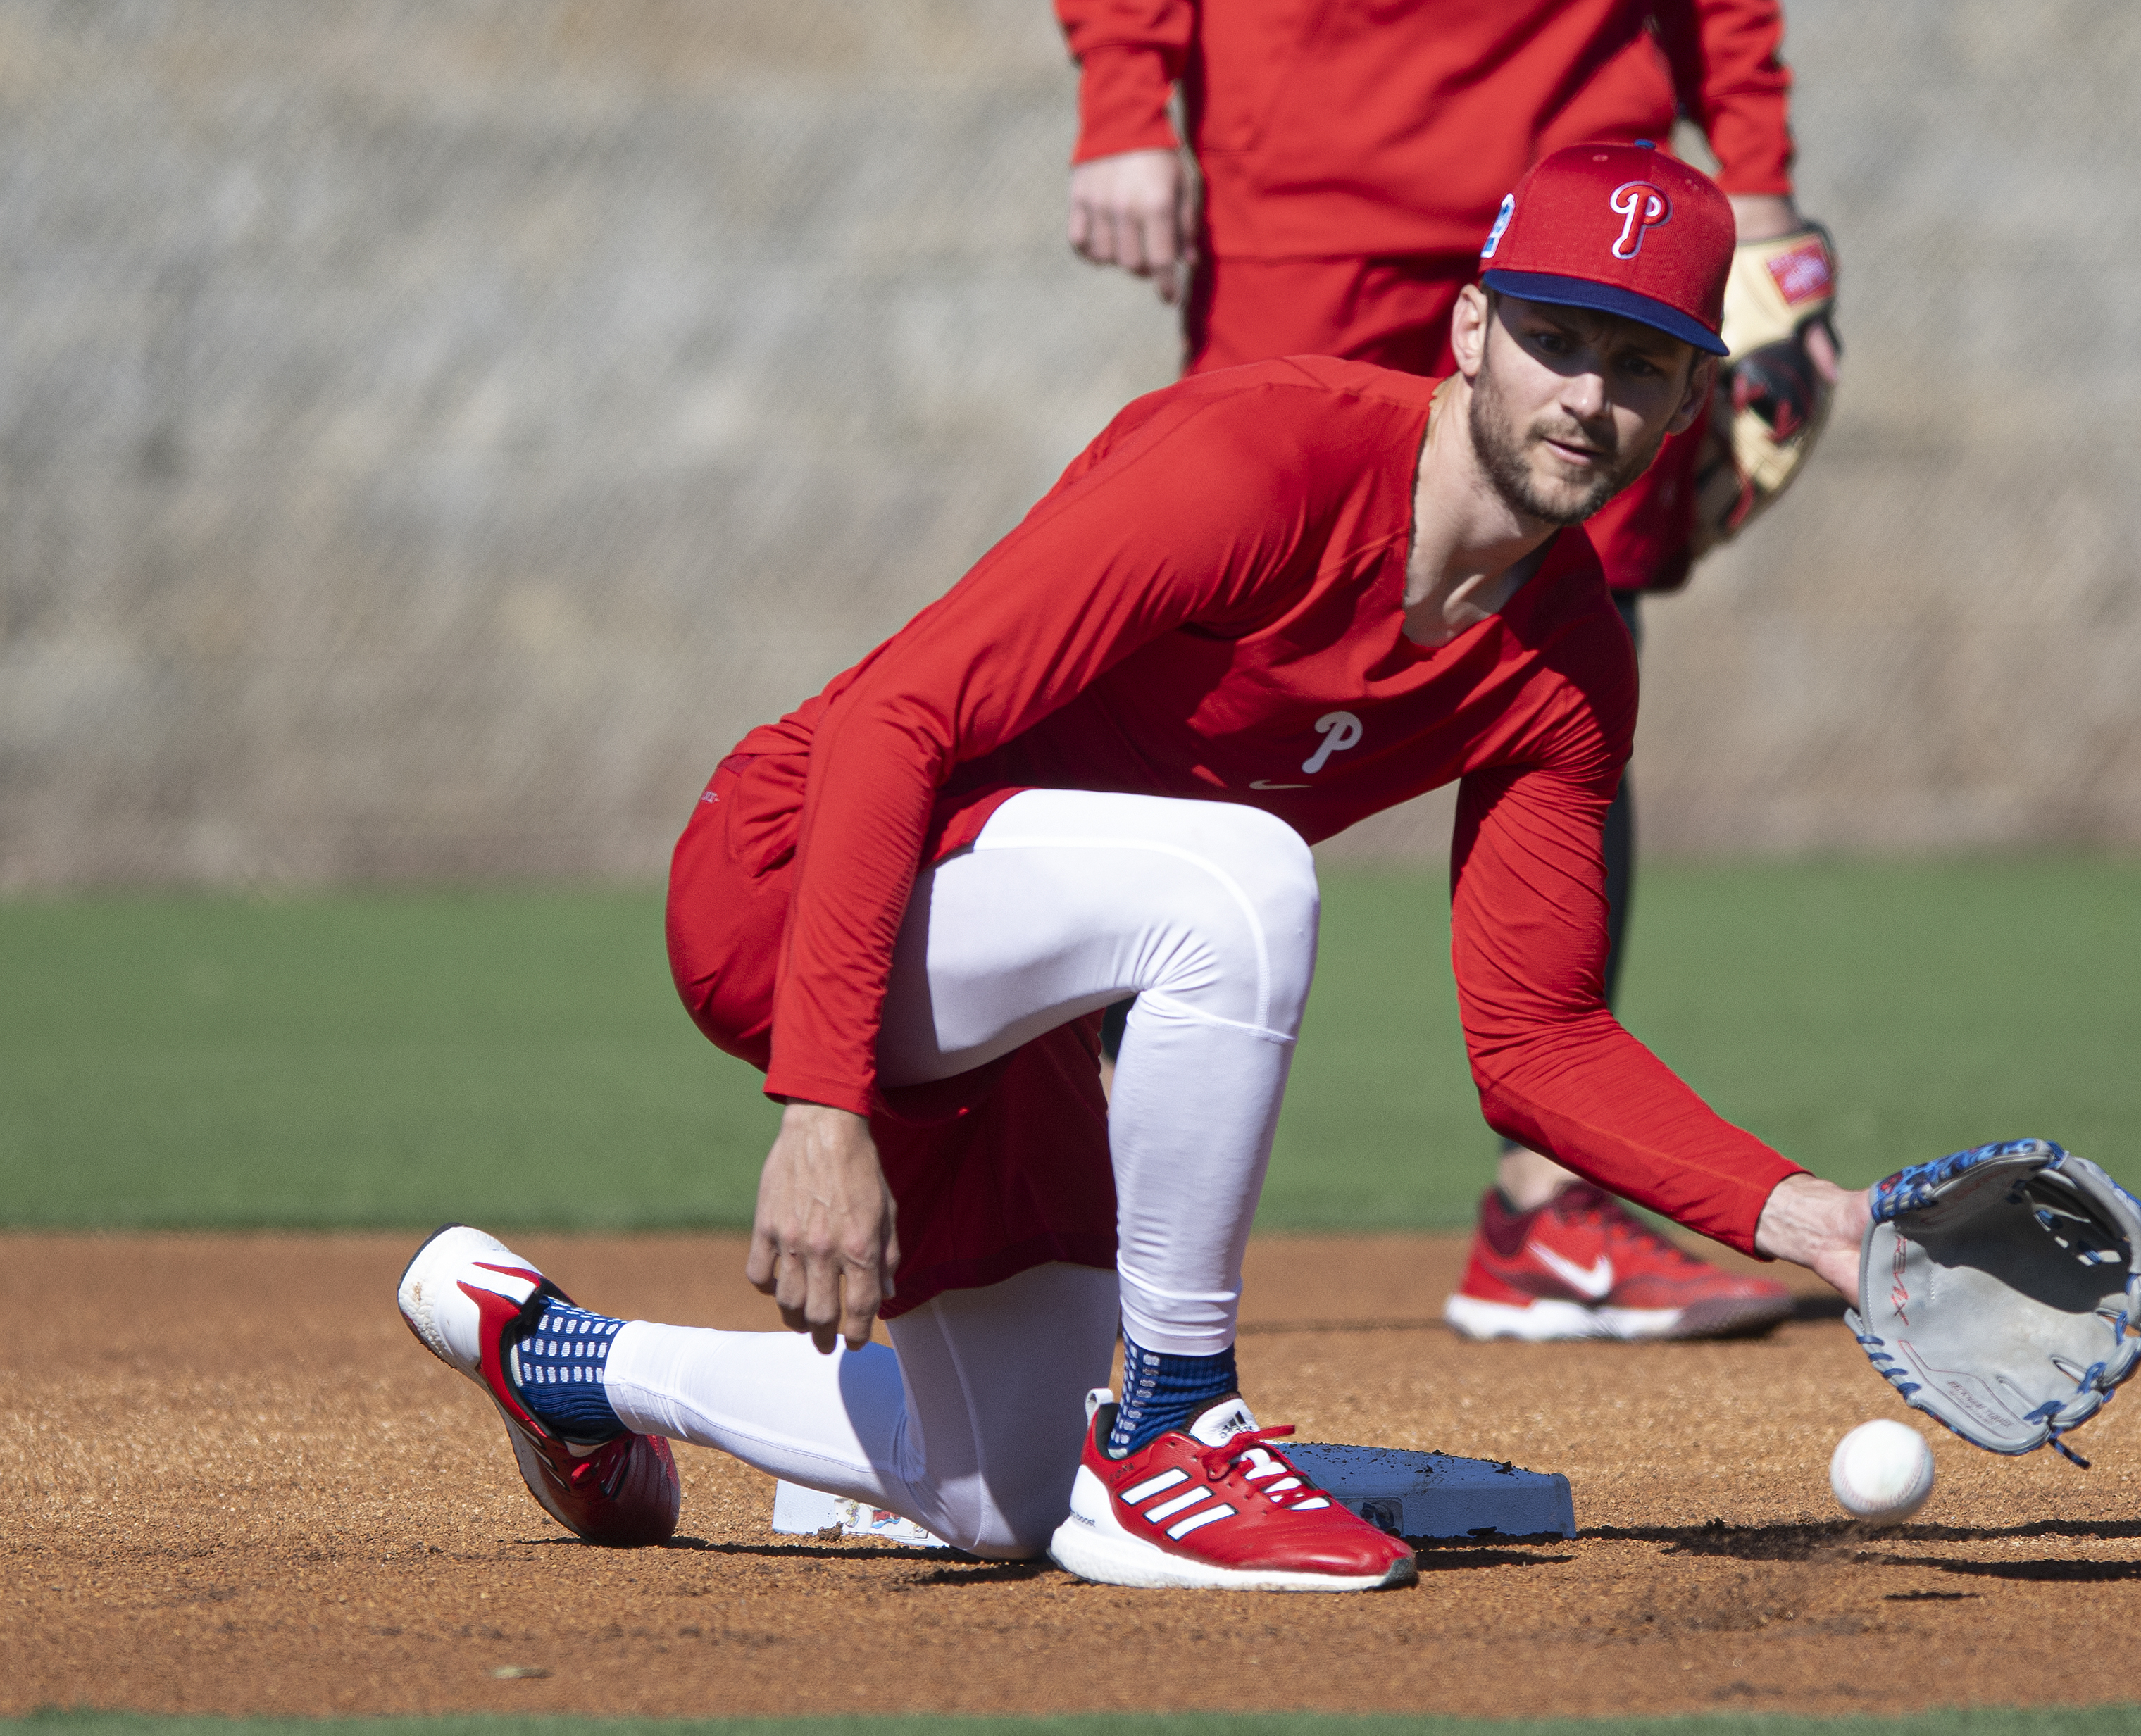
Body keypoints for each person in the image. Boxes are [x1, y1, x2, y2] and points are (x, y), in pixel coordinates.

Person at [398, 145, 1871, 1594]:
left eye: (1638, 360)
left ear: (1689, 400)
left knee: (1001, 1492)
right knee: (1241, 880)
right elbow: (901, 720)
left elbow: (1537, 1042)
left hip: (1021, 972)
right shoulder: (1266, 461)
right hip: (797, 877)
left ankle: (564, 1361)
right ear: (1471, 327)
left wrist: (1819, 1222)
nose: (1586, 394)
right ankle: (1180, 1423)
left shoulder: (1568, 663)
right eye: (1554, 338)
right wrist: (823, 1105)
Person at [1056, 0, 1842, 1342]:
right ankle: (1071, 1210)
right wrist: (1129, 96)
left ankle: (1552, 1207)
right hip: (1312, 175)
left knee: (1573, 636)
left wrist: (1762, 203)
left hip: (1595, 174)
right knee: (1225, 640)